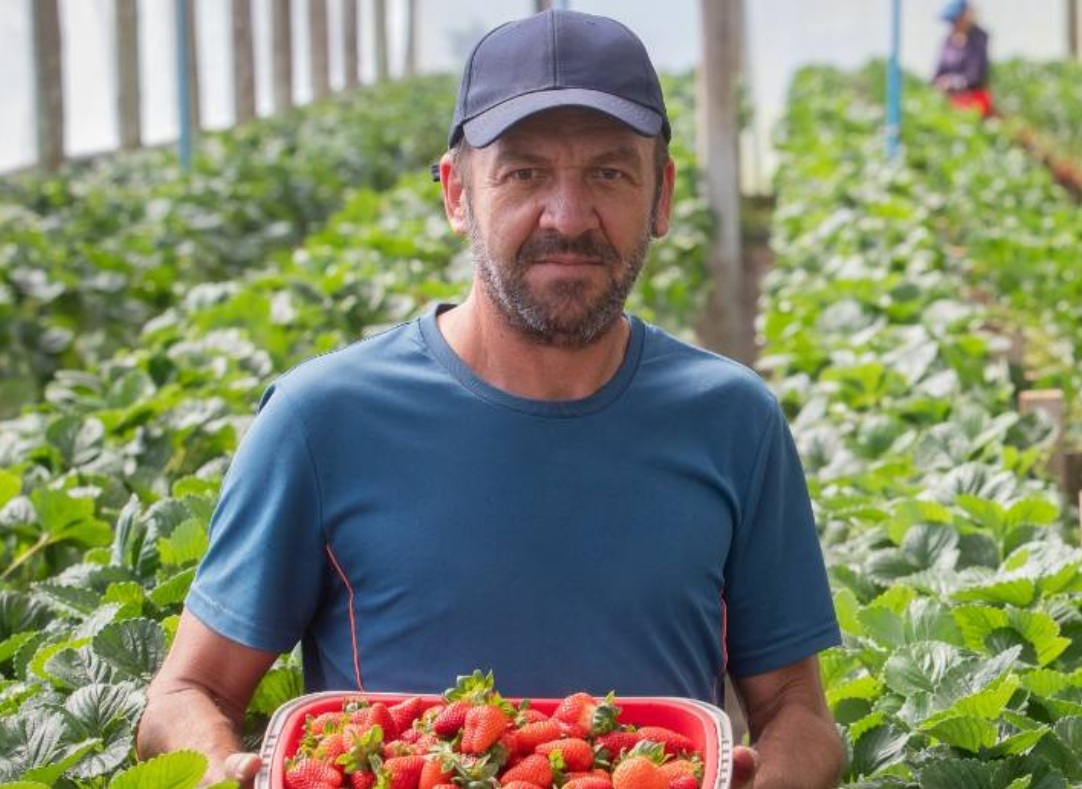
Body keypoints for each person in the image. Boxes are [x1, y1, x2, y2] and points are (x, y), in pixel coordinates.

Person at [136, 9, 843, 788]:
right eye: (524, 173)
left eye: (609, 172)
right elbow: (186, 690)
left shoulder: (735, 421)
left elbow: (797, 712)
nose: (568, 217)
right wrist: (217, 767)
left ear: (663, 195)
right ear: (457, 194)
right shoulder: (320, 421)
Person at [933, 0, 994, 118]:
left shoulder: (978, 39)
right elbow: (937, 73)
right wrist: (940, 82)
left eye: (957, 19)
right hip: (949, 99)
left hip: (973, 99)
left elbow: (975, 76)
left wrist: (951, 82)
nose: (954, 24)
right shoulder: (947, 42)